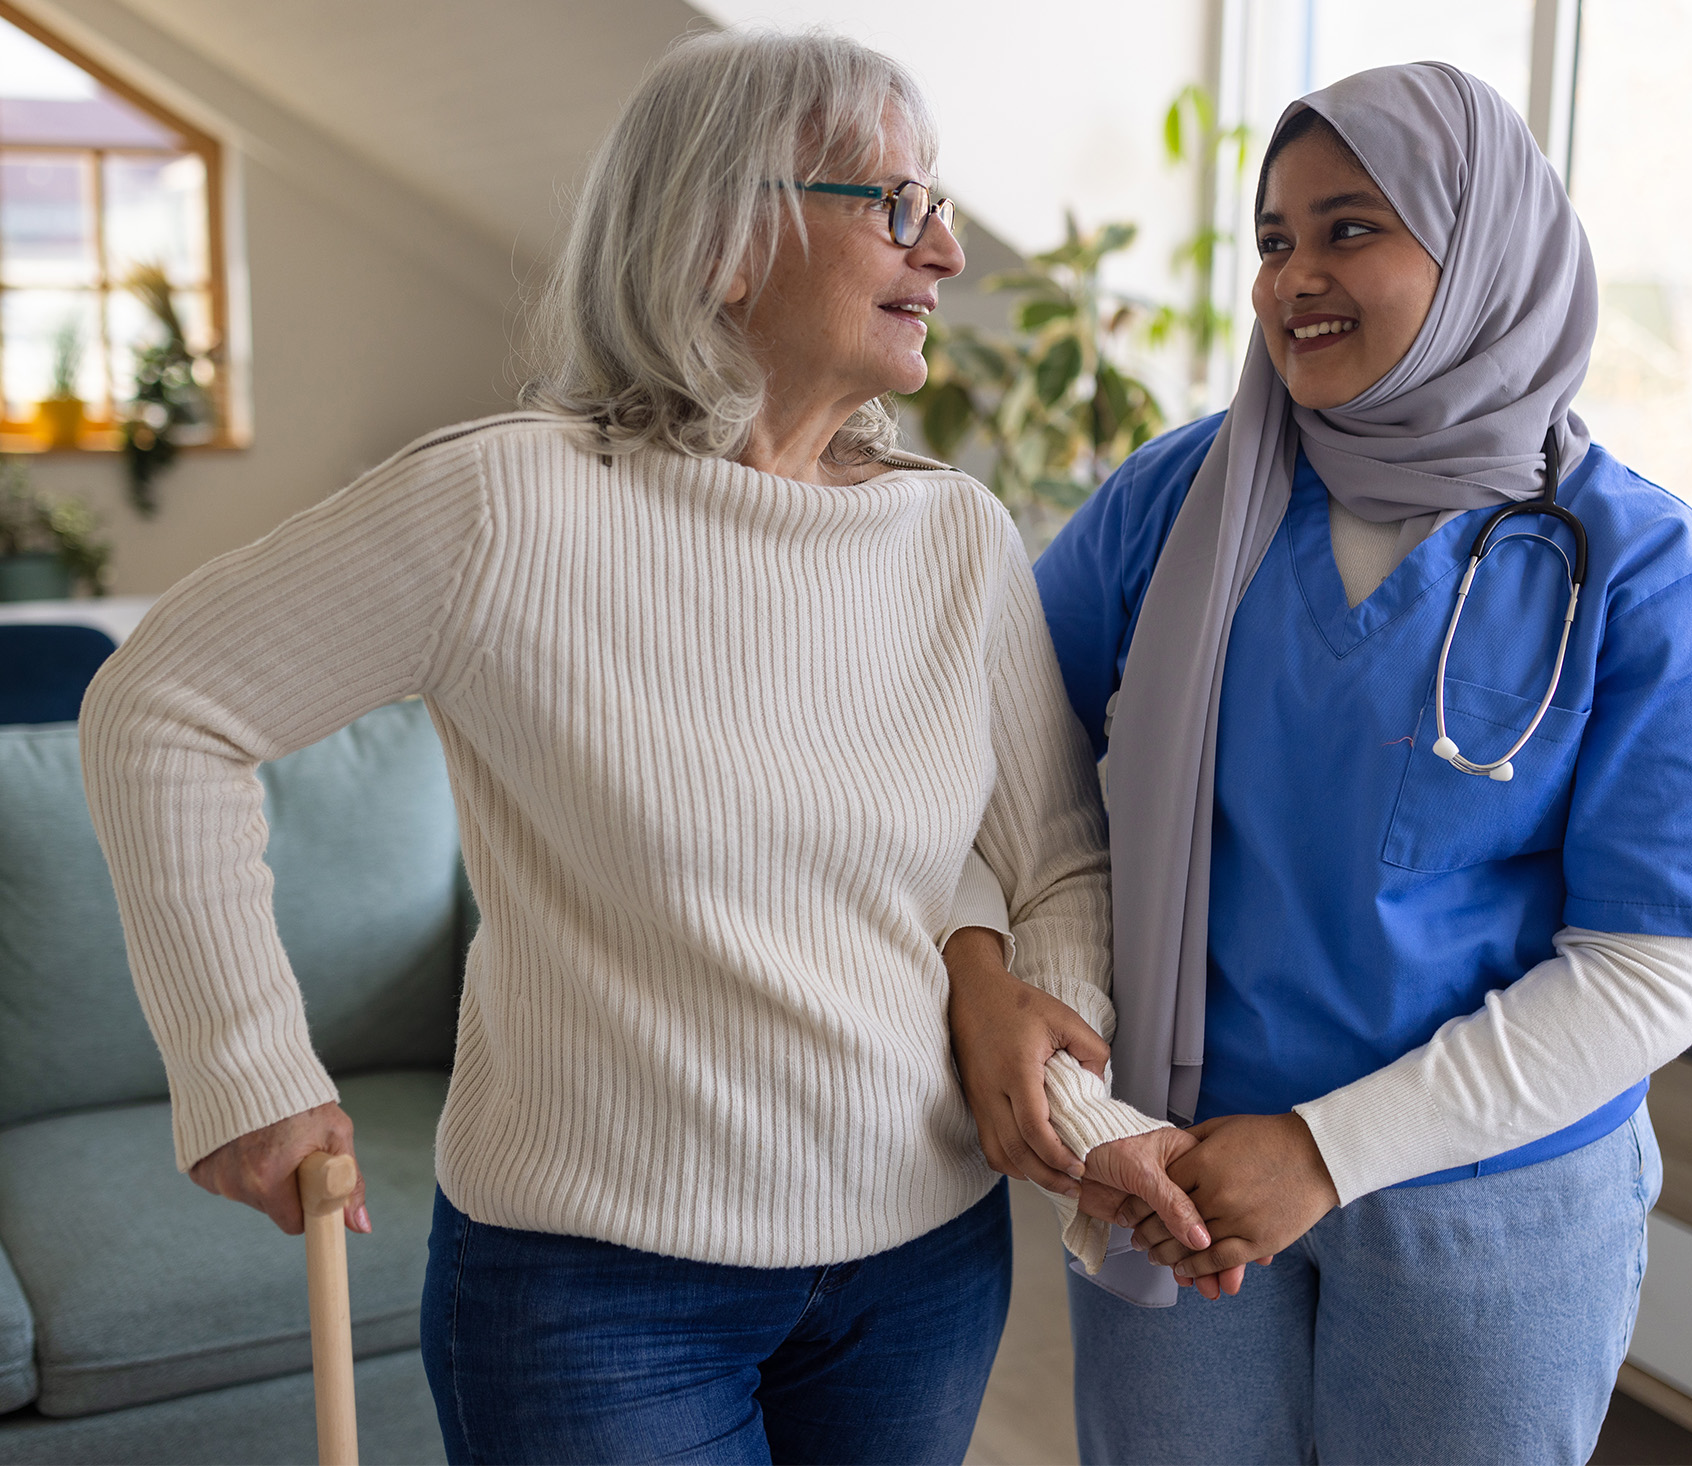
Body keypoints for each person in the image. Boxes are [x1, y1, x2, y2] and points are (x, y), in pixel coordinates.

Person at [79, 31, 1197, 1466]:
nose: (952, 252)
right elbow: (160, 704)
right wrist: (247, 1065)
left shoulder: (955, 535)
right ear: (729, 238)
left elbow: (1053, 863)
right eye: (901, 204)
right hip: (592, 1296)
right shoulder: (501, 507)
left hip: (923, 1267)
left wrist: (1080, 1105)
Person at [948, 61, 1692, 1465]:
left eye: (1351, 228)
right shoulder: (1176, 502)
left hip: (1487, 1205)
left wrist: (1329, 1148)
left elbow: (1658, 966)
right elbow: (997, 761)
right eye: (1275, 238)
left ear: (1484, 254)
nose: (1295, 278)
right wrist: (982, 964)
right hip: (1180, 1169)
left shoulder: (1653, 576)